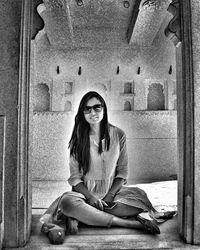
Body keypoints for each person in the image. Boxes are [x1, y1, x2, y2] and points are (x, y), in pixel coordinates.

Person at [40, 91, 176, 244]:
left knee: (140, 198)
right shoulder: (78, 139)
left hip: (112, 195)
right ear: (82, 113)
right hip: (84, 195)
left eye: (97, 107)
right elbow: (75, 178)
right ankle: (129, 223)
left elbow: (123, 172)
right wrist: (91, 198)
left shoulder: (118, 135)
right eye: (87, 109)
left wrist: (110, 195)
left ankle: (82, 217)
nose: (93, 112)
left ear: (104, 109)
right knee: (67, 202)